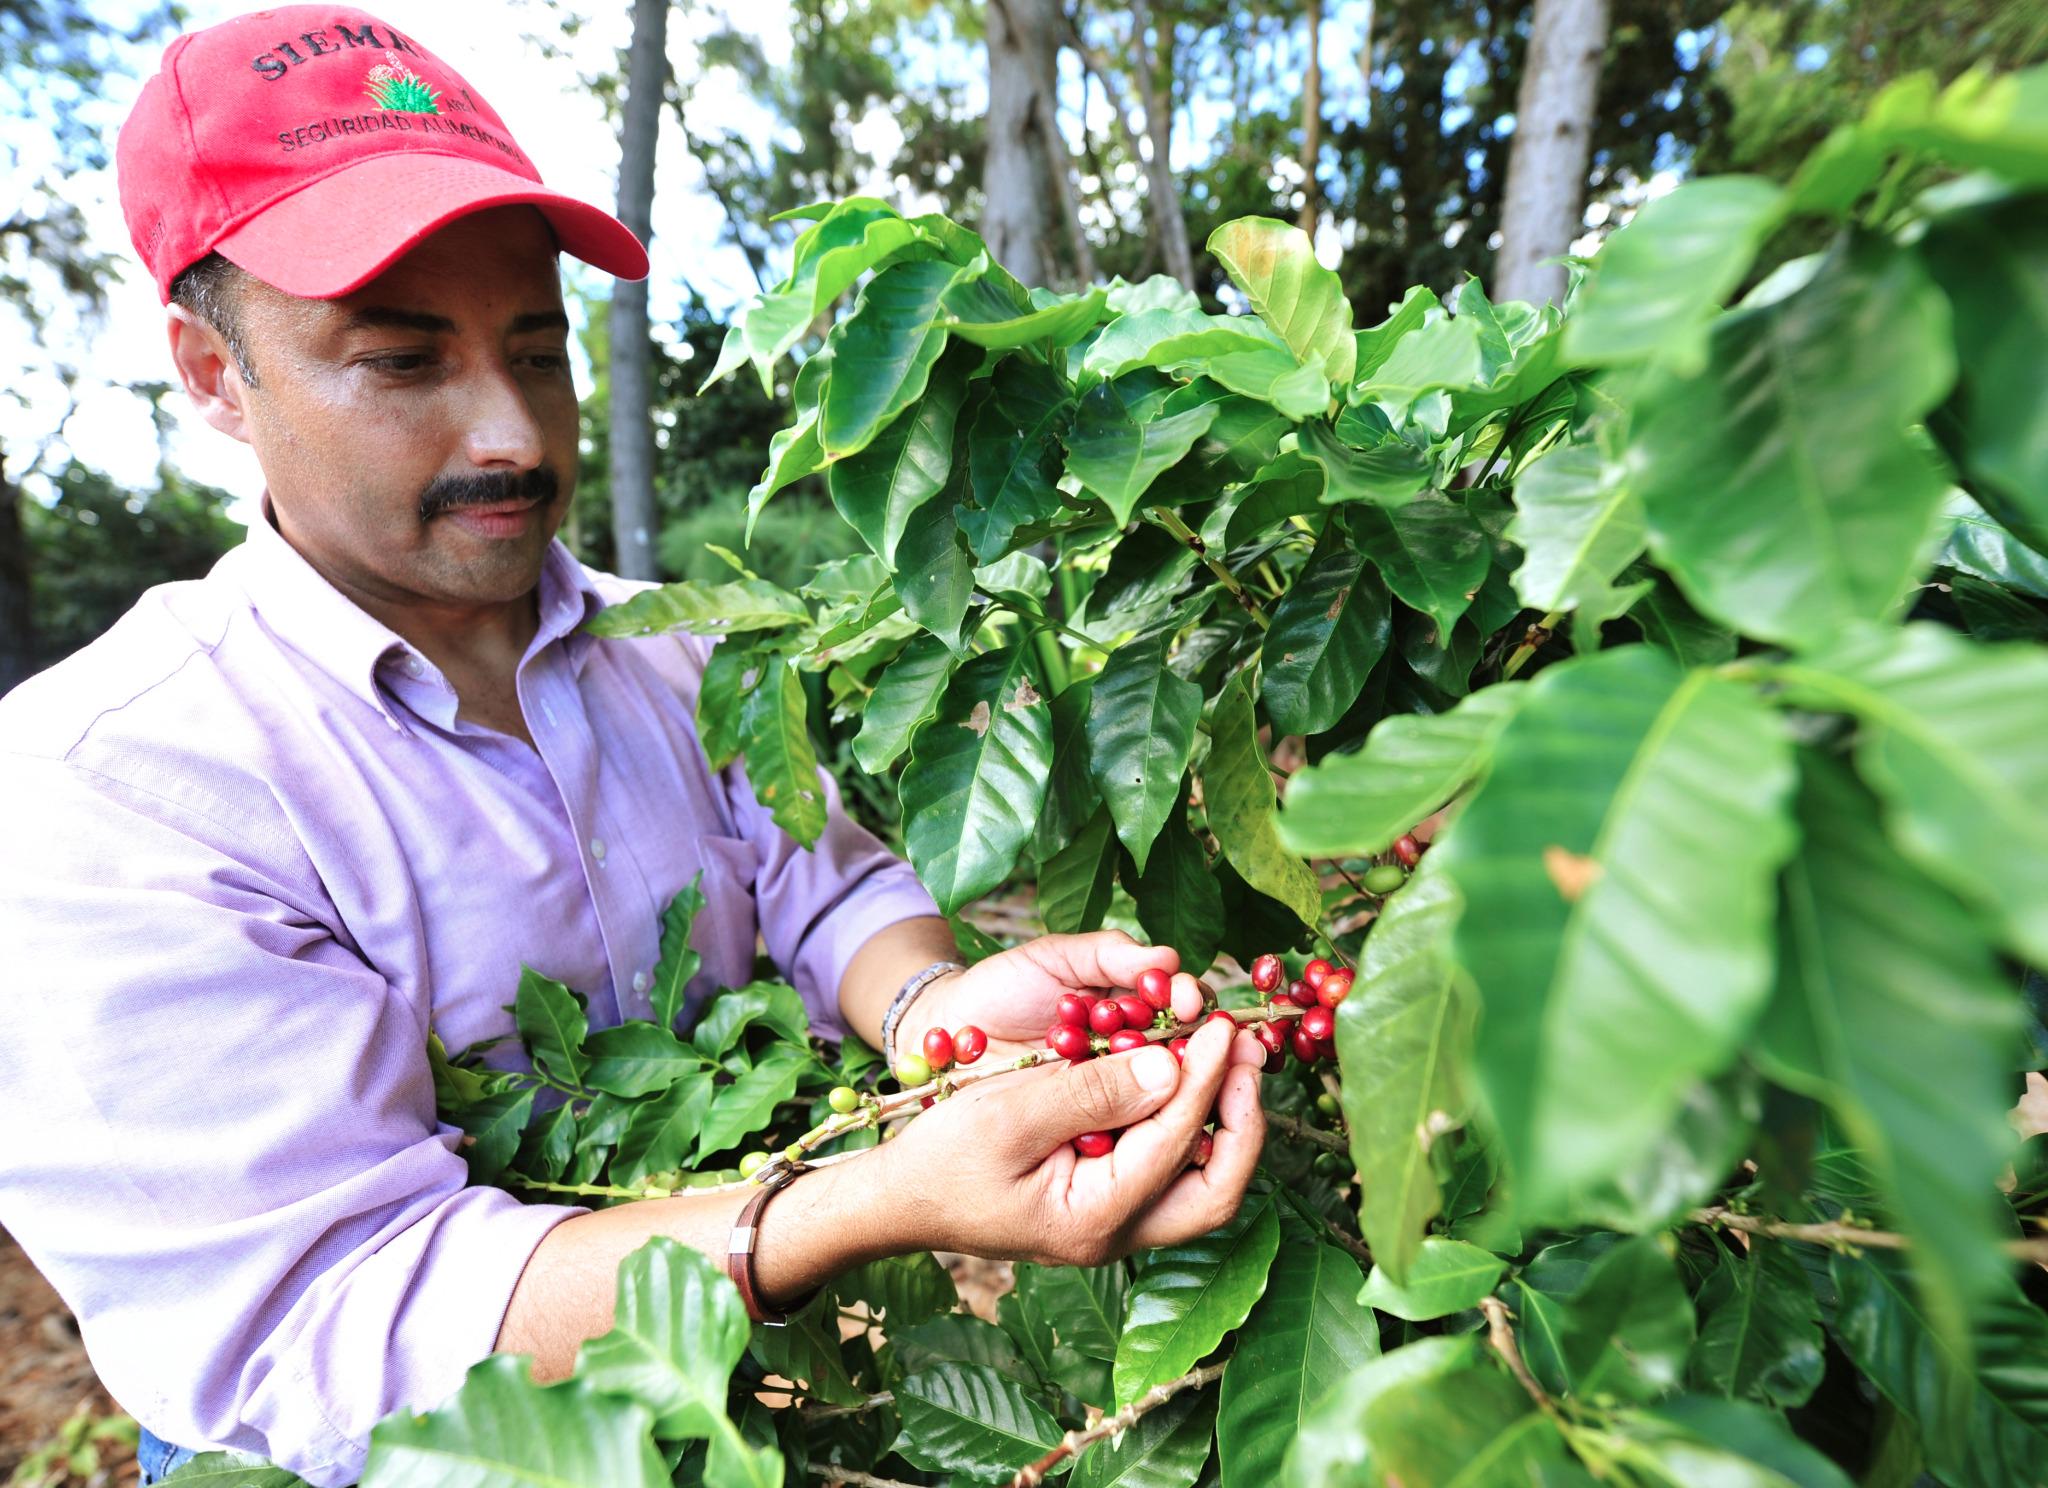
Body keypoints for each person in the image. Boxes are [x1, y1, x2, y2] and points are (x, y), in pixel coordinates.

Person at [0, 9, 1267, 1485]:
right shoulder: (108, 789)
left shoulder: (671, 644)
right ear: (216, 375)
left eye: (537, 355)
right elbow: (336, 1314)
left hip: (745, 1409)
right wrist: (860, 1204)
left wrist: (938, 1010)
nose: (516, 439)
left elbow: (813, 875)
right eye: (403, 363)